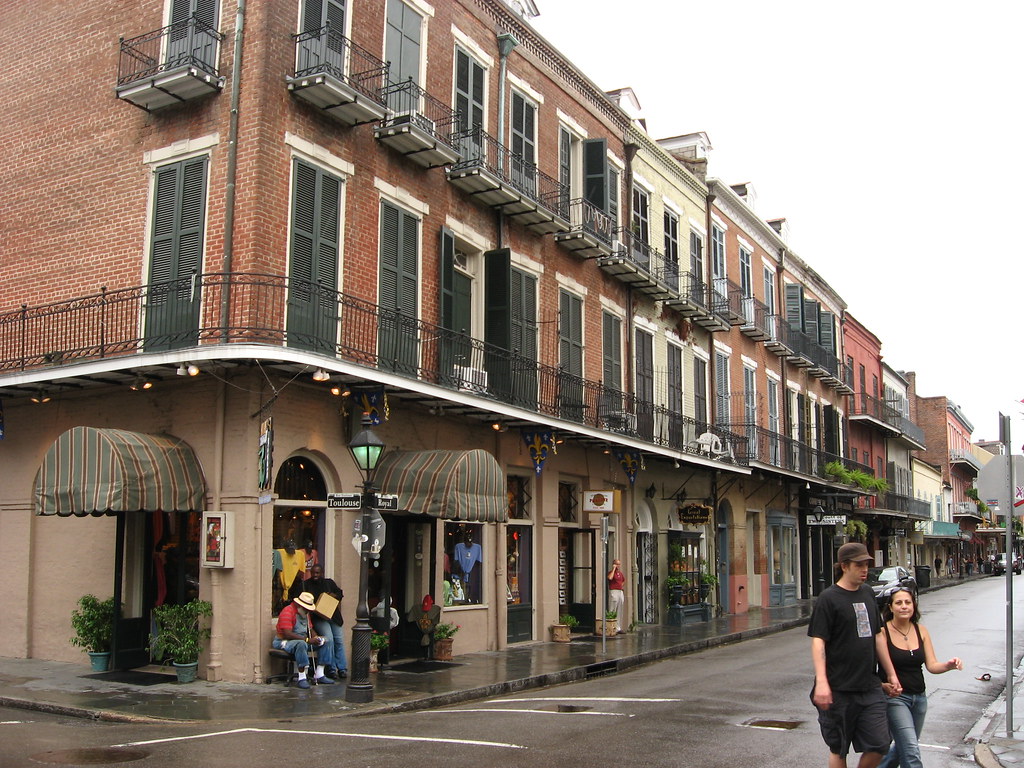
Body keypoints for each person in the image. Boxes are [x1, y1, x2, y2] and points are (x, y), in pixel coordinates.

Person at [809, 542, 901, 768]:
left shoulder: (868, 593)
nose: (864, 569)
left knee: (880, 743)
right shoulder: (828, 598)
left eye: (866, 564)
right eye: (859, 565)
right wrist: (822, 682)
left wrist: (891, 673)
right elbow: (818, 641)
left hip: (869, 686)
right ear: (844, 566)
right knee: (839, 748)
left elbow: (878, 636)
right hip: (838, 688)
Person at [875, 587, 962, 768]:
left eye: (908, 602)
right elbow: (868, 668)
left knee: (901, 749)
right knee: (911, 751)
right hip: (895, 699)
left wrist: (949, 665)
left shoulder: (921, 630)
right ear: (890, 607)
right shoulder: (882, 633)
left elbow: (932, 665)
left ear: (913, 606)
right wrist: (882, 685)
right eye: (899, 603)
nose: (904, 606)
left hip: (919, 699)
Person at [291, 564, 347, 680]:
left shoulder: (329, 583)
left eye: (317, 573)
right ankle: (331, 669)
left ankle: (342, 668)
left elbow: (340, 593)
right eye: (313, 573)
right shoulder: (306, 585)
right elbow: (298, 599)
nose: (315, 575)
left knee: (339, 640)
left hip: (333, 616)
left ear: (321, 573)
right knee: (329, 639)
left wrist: (334, 595)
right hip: (318, 617)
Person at [273, 591, 335, 688]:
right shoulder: (287, 611)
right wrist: (307, 640)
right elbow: (287, 634)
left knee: (327, 641)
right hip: (284, 641)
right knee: (301, 644)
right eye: (306, 609)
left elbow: (310, 629)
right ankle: (302, 677)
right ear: (299, 605)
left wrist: (316, 637)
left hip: (303, 640)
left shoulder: (305, 614)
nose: (307, 612)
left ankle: (320, 674)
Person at [607, 558, 625, 633]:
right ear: (614, 564)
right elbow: (610, 578)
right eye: (617, 564)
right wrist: (613, 569)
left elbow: (623, 580)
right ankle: (611, 627)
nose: (618, 566)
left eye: (619, 564)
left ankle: (618, 627)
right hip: (613, 591)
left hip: (620, 591)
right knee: (612, 608)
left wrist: (621, 586)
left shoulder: (620, 573)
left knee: (620, 609)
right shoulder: (611, 572)